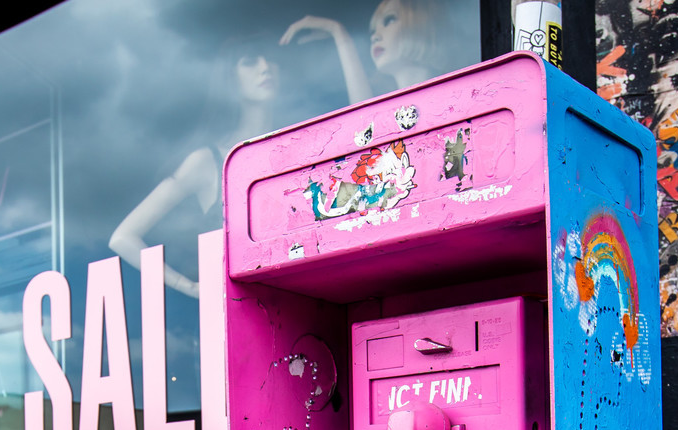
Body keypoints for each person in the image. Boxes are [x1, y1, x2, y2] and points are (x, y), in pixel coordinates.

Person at [107, 38, 284, 297]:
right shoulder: (208, 161)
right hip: (239, 314)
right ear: (230, 78)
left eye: (271, 60)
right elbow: (123, 237)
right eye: (249, 62)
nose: (265, 68)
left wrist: (340, 36)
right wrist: (189, 287)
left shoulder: (295, 147)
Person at [283, 0, 446, 104]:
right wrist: (337, 32)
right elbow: (363, 123)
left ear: (422, 24)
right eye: (373, 31)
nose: (375, 36)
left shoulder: (454, 96)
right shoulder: (388, 112)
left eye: (389, 20)